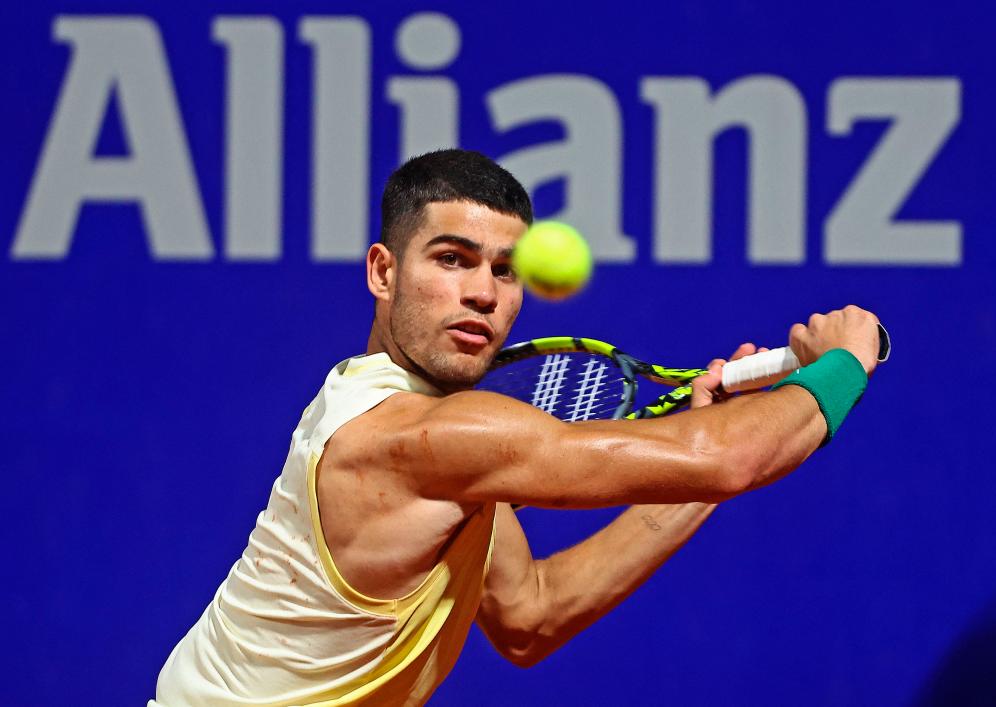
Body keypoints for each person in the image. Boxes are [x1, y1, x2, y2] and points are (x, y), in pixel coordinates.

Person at [150, 149, 882, 706]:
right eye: (451, 259)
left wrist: (703, 459)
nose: (481, 292)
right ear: (383, 271)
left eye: (505, 271)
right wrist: (844, 362)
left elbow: (531, 614)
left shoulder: (424, 431)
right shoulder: (417, 438)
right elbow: (725, 460)